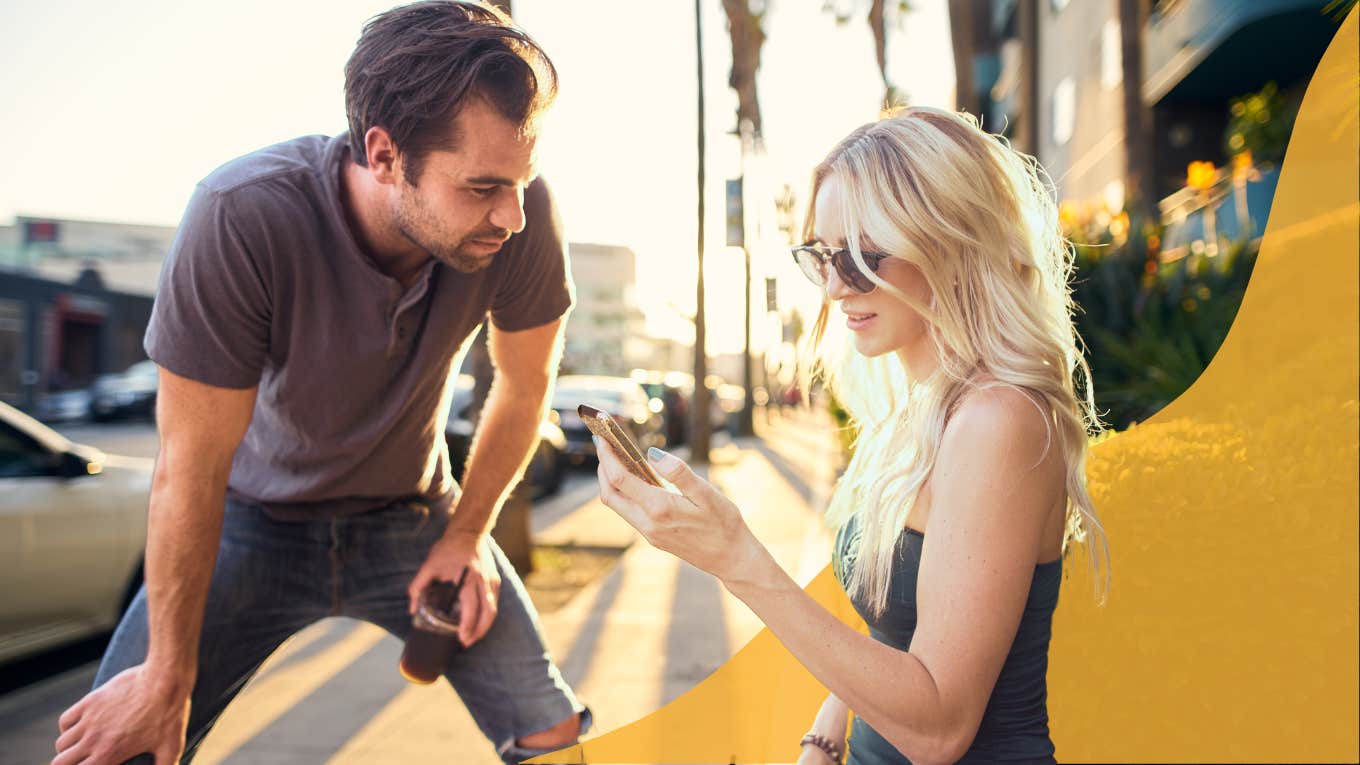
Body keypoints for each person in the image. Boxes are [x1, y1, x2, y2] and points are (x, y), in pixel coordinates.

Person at [53, 3, 589, 763]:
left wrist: (466, 536)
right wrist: (167, 675)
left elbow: (526, 385)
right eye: (480, 188)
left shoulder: (521, 212)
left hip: (413, 516)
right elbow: (189, 469)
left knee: (552, 729)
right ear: (384, 153)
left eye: (521, 182)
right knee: (127, 739)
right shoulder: (240, 216)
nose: (513, 215)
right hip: (250, 522)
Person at [594, 107, 1110, 764]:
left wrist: (735, 556)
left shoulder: (999, 420)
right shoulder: (919, 409)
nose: (837, 287)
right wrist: (825, 734)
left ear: (950, 241)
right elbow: (892, 629)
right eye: (824, 256)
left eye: (866, 256)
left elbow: (939, 728)